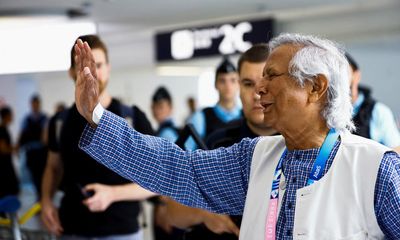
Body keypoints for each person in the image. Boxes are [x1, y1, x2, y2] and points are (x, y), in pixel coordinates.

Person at [74, 33, 400, 239]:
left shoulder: (376, 170)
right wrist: (97, 116)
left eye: (271, 77)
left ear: (315, 87)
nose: (259, 88)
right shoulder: (254, 158)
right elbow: (175, 167)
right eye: (256, 80)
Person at [40, 35, 156, 240]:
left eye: (98, 65)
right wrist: (46, 201)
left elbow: (156, 180)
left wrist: (112, 194)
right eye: (83, 66)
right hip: (72, 229)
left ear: (109, 68)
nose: (92, 73)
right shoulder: (59, 122)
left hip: (121, 231)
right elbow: (53, 167)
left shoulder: (133, 117)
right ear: (71, 72)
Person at [165, 44, 279, 240]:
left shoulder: (298, 142)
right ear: (239, 87)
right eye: (248, 84)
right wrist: (204, 213)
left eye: (265, 83)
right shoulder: (219, 143)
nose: (257, 94)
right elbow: (174, 210)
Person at [346, 52, 400, 148]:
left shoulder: (379, 111)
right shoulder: (324, 113)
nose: (339, 79)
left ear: (356, 75)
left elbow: (396, 150)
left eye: (344, 73)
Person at [186, 57, 241, 149]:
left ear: (239, 84)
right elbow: (187, 152)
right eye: (222, 81)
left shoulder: (247, 116)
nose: (228, 86)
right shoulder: (200, 117)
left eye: (232, 80)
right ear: (216, 84)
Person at [18, 94, 48, 199]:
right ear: (31, 105)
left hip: (41, 153)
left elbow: (45, 138)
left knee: (43, 176)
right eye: (33, 104)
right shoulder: (26, 119)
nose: (35, 105)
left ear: (39, 104)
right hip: (31, 153)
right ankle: (39, 197)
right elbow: (21, 136)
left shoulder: (44, 118)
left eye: (37, 103)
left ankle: (43, 197)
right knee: (34, 177)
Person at [0, 106, 19, 199]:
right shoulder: (2, 130)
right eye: (11, 115)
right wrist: (13, 148)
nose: (12, 117)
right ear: (6, 116)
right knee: (8, 190)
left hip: (6, 165)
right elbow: (3, 149)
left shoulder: (5, 129)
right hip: (4, 167)